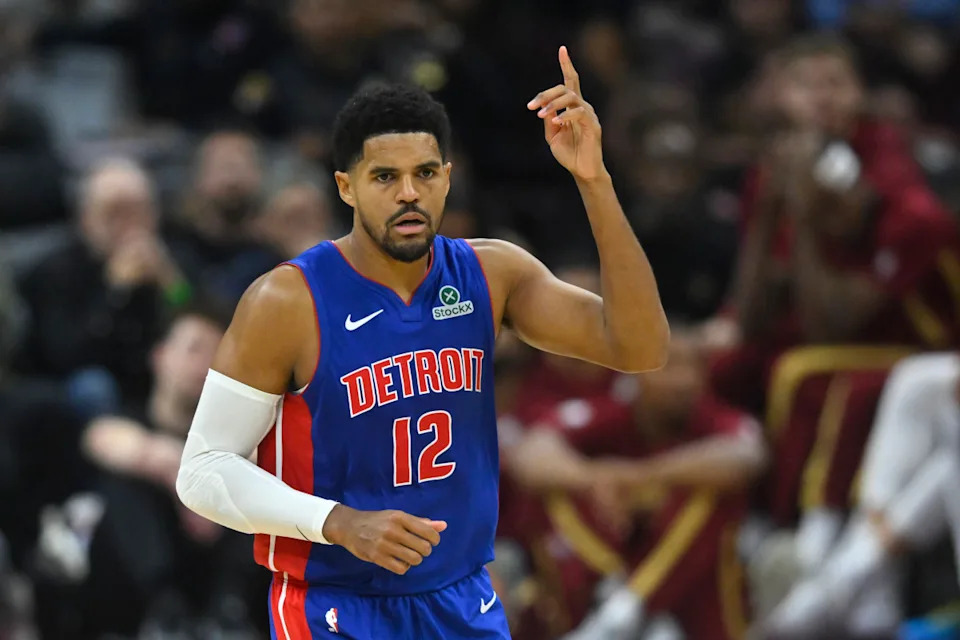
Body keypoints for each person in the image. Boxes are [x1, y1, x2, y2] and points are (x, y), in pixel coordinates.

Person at [176, 46, 669, 639]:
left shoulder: (492, 274)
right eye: (385, 177)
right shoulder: (288, 301)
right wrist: (337, 522)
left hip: (461, 597)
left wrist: (594, 180)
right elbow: (203, 470)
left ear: (447, 178)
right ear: (346, 187)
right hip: (336, 603)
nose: (409, 193)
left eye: (425, 174)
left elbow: (641, 347)